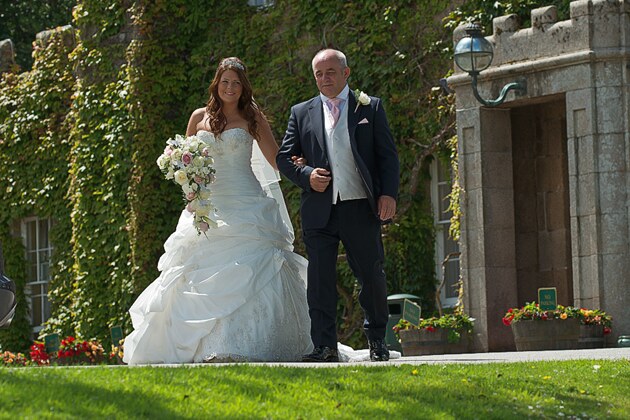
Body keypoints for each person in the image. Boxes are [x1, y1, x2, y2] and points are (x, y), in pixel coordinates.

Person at [123, 57, 313, 364]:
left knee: (256, 262)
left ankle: (251, 342)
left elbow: (276, 156)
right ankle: (198, 347)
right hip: (208, 204)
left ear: (243, 87)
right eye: (225, 81)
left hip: (247, 201)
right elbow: (183, 158)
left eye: (236, 83)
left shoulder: (252, 117)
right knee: (195, 268)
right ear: (216, 83)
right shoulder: (199, 117)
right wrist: (190, 188)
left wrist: (300, 167)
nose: (230, 87)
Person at [276, 48, 400, 362]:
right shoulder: (301, 112)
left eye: (330, 72)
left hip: (359, 206)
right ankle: (325, 346)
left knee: (371, 275)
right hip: (319, 210)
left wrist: (388, 194)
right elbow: (285, 158)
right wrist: (306, 175)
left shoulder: (369, 108)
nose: (324, 78)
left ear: (346, 73)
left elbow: (387, 156)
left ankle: (377, 341)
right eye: (319, 73)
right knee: (320, 281)